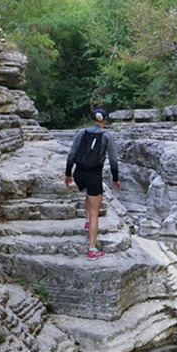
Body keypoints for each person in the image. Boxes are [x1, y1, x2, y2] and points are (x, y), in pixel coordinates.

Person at [64, 108, 120, 259]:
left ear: (92, 119)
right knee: (96, 209)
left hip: (79, 173)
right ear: (104, 120)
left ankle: (88, 223)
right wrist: (115, 178)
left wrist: (68, 174)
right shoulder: (107, 135)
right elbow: (113, 160)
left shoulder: (82, 132)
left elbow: (72, 154)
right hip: (94, 174)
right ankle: (92, 249)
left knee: (89, 195)